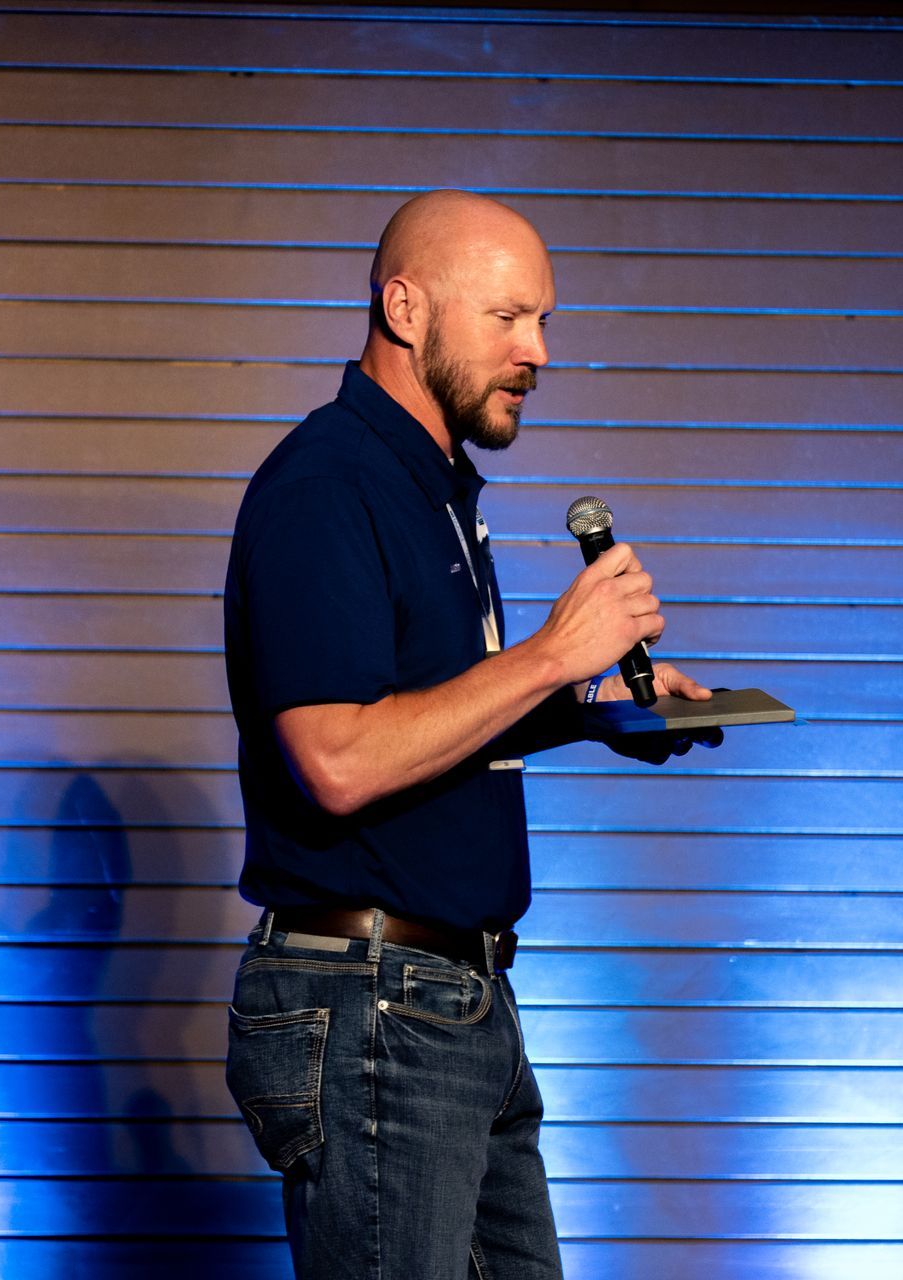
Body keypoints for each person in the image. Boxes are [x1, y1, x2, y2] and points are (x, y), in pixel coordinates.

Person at [221, 189, 720, 1279]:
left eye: (543, 320)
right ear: (405, 307)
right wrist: (552, 651)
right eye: (508, 319)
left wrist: (589, 715)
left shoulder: (433, 486)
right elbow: (340, 759)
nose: (537, 350)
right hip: (376, 1007)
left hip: (458, 998)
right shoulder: (328, 484)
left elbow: (423, 722)